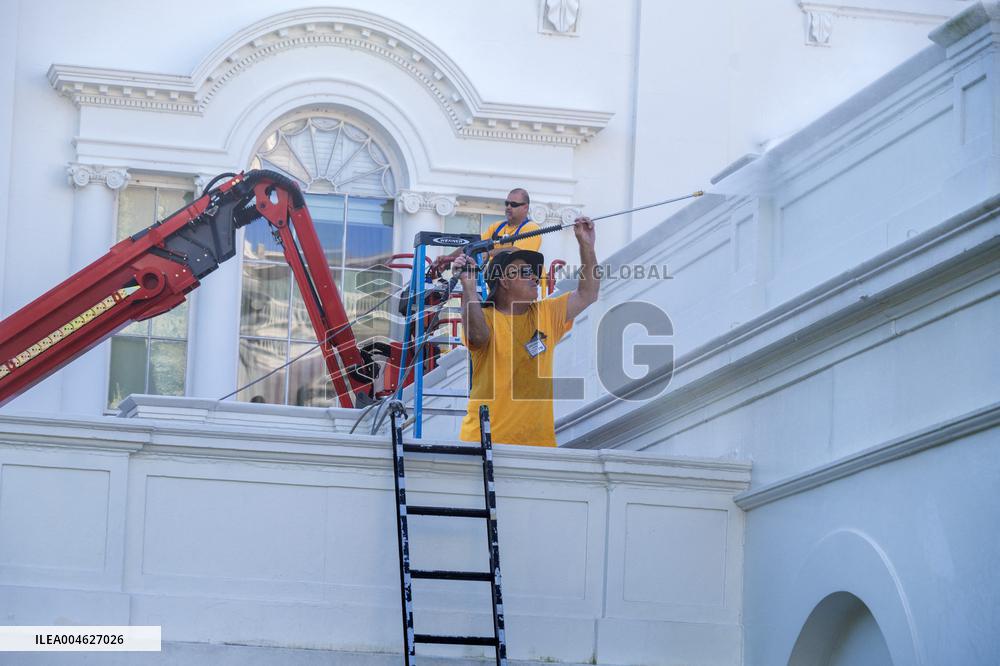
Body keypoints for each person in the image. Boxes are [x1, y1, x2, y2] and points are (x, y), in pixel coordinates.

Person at [451, 215, 598, 446]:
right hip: (485, 445)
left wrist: (586, 246)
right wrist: (468, 286)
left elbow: (588, 294)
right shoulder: (484, 316)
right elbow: (477, 337)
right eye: (525, 272)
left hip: (538, 448)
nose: (534, 278)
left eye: (533, 272)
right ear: (504, 282)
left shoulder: (545, 313)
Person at [433, 188, 542, 273]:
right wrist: (448, 259)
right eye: (506, 203)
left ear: (525, 207)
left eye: (513, 204)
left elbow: (517, 251)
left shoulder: (531, 228)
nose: (508, 207)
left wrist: (488, 253)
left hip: (520, 290)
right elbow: (473, 246)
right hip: (497, 287)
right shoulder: (497, 226)